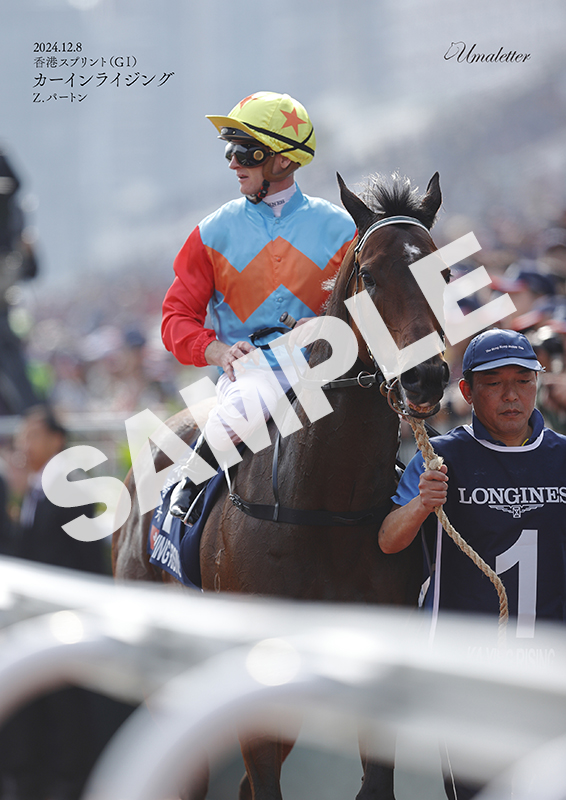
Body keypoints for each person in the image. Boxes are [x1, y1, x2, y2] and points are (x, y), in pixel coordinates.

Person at [378, 328, 566, 799]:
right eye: (493, 383)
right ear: (466, 390)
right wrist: (421, 504)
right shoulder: (439, 456)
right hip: (467, 668)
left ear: (537, 383)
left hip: (551, 667)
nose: (511, 395)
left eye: (522, 380)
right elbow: (388, 540)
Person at [161, 91, 356, 520]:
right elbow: (175, 318)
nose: (233, 163)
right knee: (244, 404)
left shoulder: (343, 229)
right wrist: (215, 350)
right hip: (254, 370)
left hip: (329, 366)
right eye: (229, 151)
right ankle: (189, 485)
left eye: (244, 151)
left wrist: (326, 326)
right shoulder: (211, 232)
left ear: (282, 160)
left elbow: (370, 308)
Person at [0, 405, 108, 800]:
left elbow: (87, 562)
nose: (22, 444)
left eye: (32, 435)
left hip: (65, 622)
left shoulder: (71, 490)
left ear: (56, 440)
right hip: (36, 622)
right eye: (21, 436)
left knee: (68, 709)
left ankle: (71, 782)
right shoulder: (32, 490)